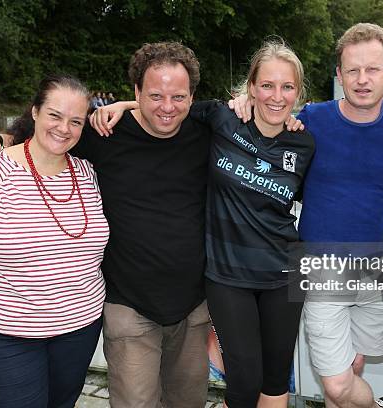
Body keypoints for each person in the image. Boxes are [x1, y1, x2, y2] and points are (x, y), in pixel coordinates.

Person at [0, 42, 212, 408]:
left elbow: (262, 114)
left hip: (194, 307)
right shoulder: (104, 133)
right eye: (155, 95)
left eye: (178, 96)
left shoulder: (206, 128)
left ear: (192, 97)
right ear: (136, 92)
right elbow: (51, 131)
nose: (167, 107)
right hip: (129, 308)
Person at [92, 38, 314, 408]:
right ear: (251, 87)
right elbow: (165, 106)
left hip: (275, 273)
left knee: (274, 379)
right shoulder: (221, 118)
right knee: (242, 379)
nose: (277, 96)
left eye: (287, 86)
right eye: (267, 85)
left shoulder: (303, 141)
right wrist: (121, 105)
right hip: (216, 279)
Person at [270, 23, 383, 408]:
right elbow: (257, 114)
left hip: (372, 268)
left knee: (353, 368)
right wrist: (127, 105)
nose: (362, 79)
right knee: (337, 386)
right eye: (352, 70)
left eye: (373, 69)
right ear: (339, 75)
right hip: (321, 269)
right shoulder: (312, 119)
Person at [0, 74, 108, 407]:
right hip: (5, 336)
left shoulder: (89, 172)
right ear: (34, 112)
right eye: (54, 116)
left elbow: (155, 108)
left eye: (75, 121)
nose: (64, 128)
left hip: (79, 330)